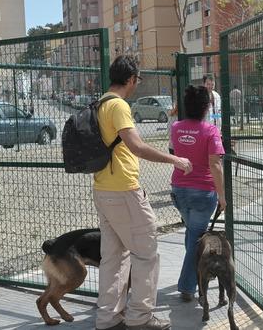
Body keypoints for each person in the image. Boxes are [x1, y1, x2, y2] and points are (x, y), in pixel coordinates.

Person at [93, 55, 192, 330]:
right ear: (130, 79)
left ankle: (108, 319)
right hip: (125, 190)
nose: (137, 84)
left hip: (102, 188)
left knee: (113, 257)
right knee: (146, 254)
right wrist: (176, 160)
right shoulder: (118, 106)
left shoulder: (100, 103)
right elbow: (136, 146)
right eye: (137, 79)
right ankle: (140, 319)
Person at [170, 85, 227, 303]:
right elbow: (216, 165)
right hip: (203, 194)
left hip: (179, 191)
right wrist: (222, 196)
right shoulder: (211, 131)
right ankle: (187, 286)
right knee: (196, 239)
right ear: (206, 107)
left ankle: (192, 271)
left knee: (191, 232)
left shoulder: (176, 127)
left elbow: (176, 152)